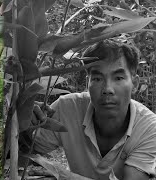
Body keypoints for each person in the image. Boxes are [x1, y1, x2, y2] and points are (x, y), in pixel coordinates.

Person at [27, 39, 156, 179]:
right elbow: (22, 154)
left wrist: (65, 176)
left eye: (118, 78)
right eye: (97, 79)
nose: (107, 89)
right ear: (87, 84)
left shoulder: (149, 128)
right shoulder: (67, 109)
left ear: (135, 84)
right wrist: (22, 123)